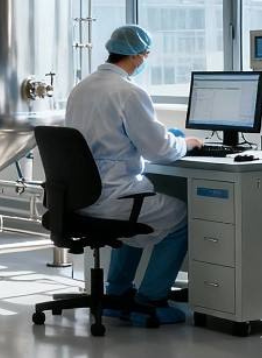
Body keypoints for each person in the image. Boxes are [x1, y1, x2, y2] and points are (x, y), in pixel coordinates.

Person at [65, 24, 205, 326]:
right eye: (146, 55)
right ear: (138, 57)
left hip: (81, 196)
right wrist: (186, 143)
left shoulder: (82, 88)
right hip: (113, 194)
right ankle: (151, 299)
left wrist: (167, 137)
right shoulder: (128, 91)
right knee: (181, 216)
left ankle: (116, 293)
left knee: (138, 210)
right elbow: (159, 150)